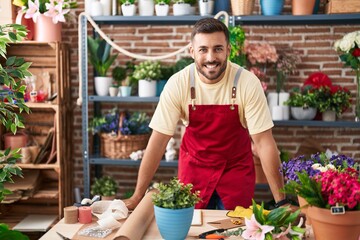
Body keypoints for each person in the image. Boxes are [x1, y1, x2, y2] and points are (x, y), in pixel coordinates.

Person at [123, 18, 286, 210]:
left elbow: (264, 143)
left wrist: (282, 201)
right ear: (192, 52)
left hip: (236, 172)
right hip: (194, 172)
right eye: (203, 49)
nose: (210, 57)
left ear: (228, 50)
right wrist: (137, 196)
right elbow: (158, 142)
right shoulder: (179, 83)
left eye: (218, 48)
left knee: (234, 231)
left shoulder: (246, 83)